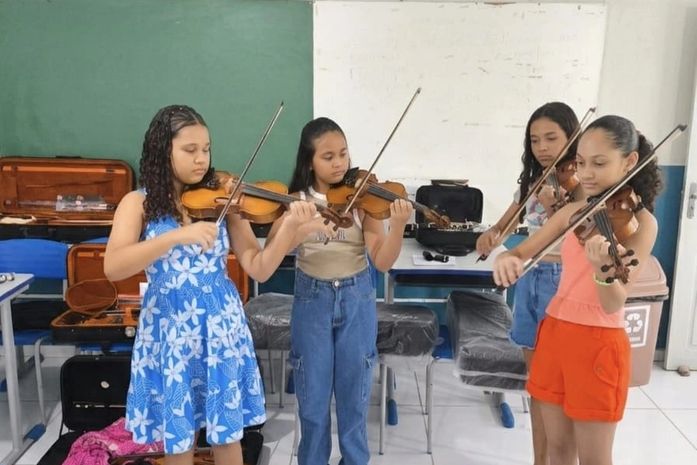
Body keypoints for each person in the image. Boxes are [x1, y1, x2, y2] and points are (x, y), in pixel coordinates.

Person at [104, 104, 330, 465]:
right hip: (169, 330)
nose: (201, 159)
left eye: (206, 149)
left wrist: (289, 228)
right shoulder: (138, 203)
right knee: (178, 439)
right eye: (190, 150)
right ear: (163, 151)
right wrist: (177, 236)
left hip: (220, 328)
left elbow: (259, 268)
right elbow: (114, 266)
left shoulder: (225, 199)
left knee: (227, 435)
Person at [493, 115, 661, 465]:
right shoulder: (574, 211)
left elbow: (614, 302)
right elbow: (521, 251)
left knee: (594, 459)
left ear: (629, 161)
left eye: (599, 163)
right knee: (558, 450)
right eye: (581, 163)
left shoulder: (642, 224)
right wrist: (507, 259)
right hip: (555, 333)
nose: (586, 174)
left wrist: (602, 271)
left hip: (599, 344)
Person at [267, 117, 413, 465]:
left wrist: (397, 227)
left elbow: (382, 261)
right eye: (328, 156)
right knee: (312, 401)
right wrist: (299, 226)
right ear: (309, 162)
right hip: (312, 300)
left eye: (343, 154)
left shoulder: (363, 201)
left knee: (354, 400)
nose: (339, 164)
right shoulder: (297, 201)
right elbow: (273, 249)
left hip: (356, 298)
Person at [476, 101, 581, 465]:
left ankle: (560, 457)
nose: (542, 147)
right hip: (530, 278)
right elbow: (505, 224)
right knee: (537, 383)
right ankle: (540, 459)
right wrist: (490, 236)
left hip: (561, 280)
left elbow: (577, 235)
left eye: (551, 138)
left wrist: (553, 206)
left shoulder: (582, 183)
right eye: (535, 140)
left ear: (572, 137)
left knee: (559, 385)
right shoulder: (535, 180)